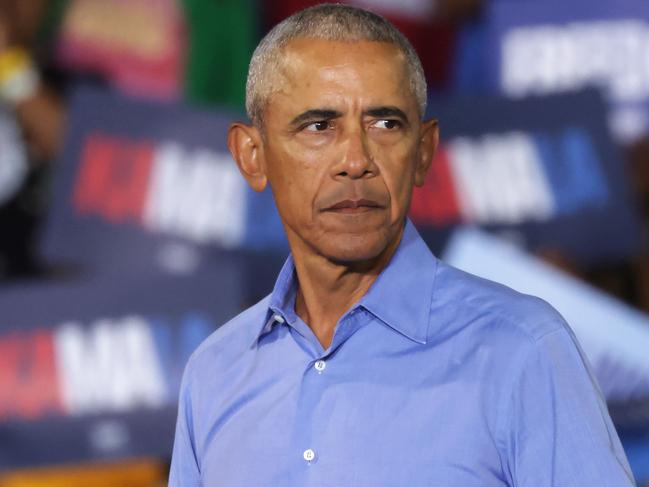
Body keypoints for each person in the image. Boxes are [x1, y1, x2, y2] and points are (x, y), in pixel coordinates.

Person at [169, 4, 635, 486]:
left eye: (385, 124)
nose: (355, 160)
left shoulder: (523, 351)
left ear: (423, 152)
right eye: (319, 126)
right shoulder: (214, 372)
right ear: (252, 155)